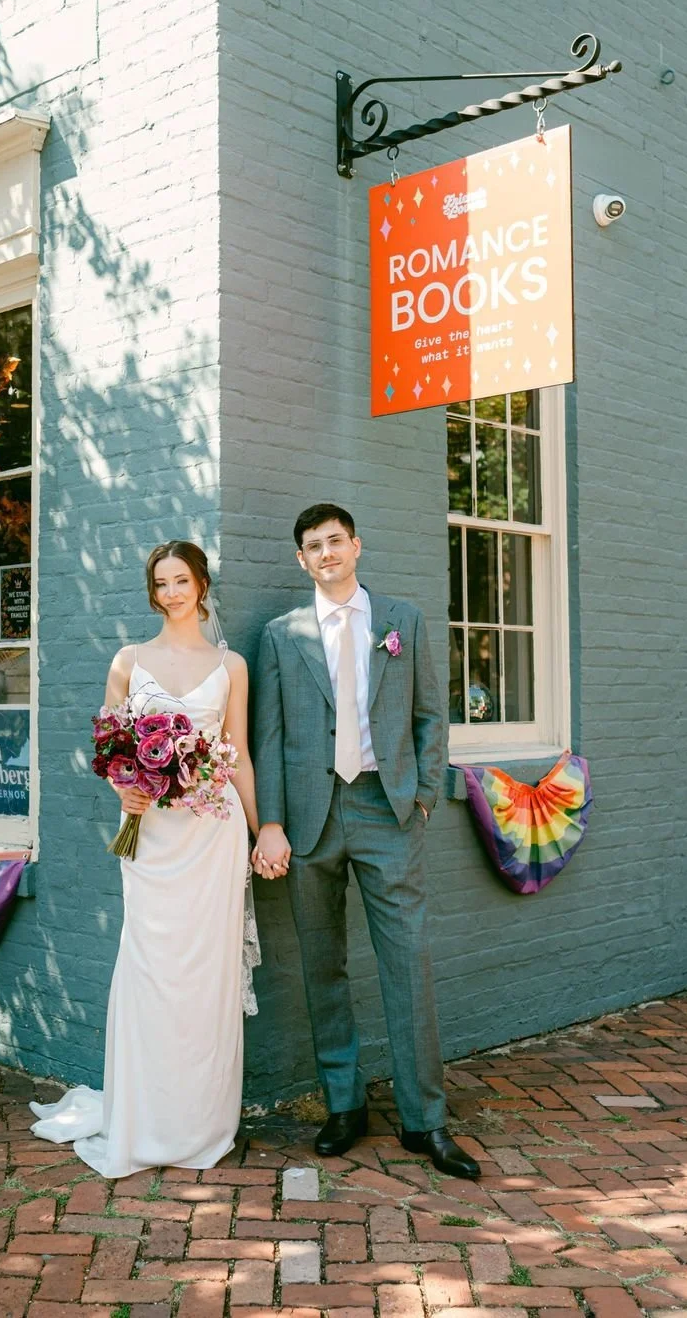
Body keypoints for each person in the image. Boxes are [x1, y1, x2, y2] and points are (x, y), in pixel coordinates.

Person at [253, 503, 480, 1179]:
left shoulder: (400, 621)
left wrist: (424, 796)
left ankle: (425, 1120)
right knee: (322, 966)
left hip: (387, 809)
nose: (325, 554)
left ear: (357, 545)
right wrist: (270, 820)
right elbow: (267, 735)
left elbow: (430, 714)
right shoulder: (280, 634)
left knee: (408, 963)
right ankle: (344, 1106)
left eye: (334, 542)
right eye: (312, 547)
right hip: (309, 815)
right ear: (301, 560)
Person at [30, 541, 259, 1177]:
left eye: (182, 580)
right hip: (151, 834)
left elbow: (236, 751)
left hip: (214, 836)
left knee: (204, 977)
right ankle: (147, 1117)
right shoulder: (129, 661)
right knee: (151, 968)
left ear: (202, 584)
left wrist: (264, 826)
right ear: (152, 591)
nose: (172, 592)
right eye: (161, 583)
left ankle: (202, 1122)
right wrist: (122, 783)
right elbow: (108, 745)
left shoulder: (231, 665)